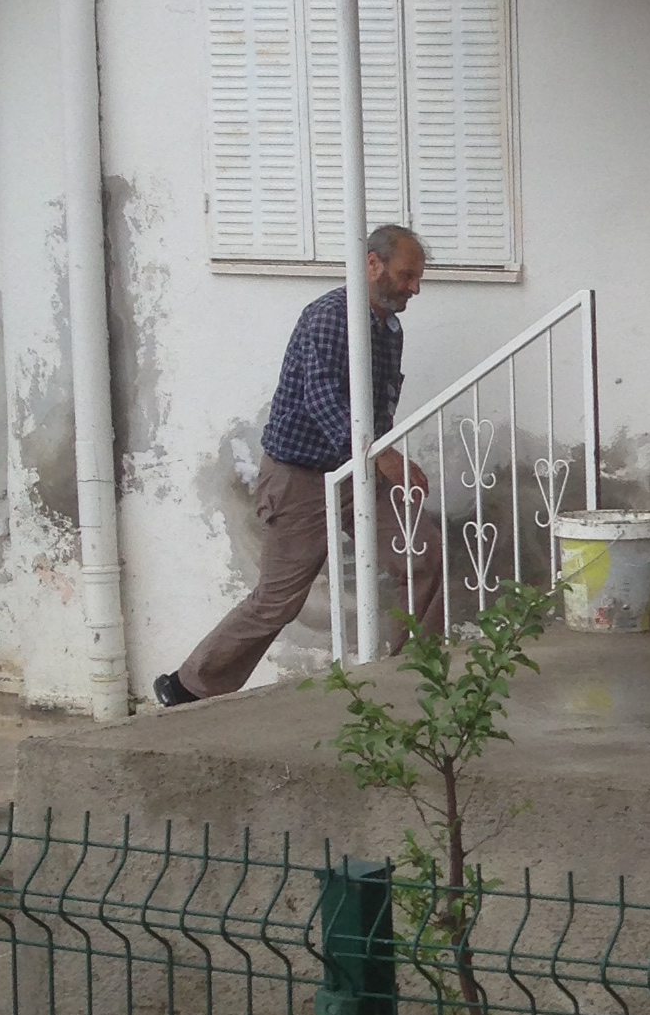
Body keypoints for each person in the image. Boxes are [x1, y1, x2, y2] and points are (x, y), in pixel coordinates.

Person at [155, 225, 443, 705]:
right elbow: (323, 398)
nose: (415, 288)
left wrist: (380, 460)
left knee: (423, 552)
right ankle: (188, 686)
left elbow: (378, 404)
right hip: (301, 478)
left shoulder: (389, 328)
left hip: (360, 469)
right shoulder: (329, 316)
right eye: (406, 275)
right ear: (372, 265)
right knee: (278, 600)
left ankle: (414, 673)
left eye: (418, 278)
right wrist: (382, 455)